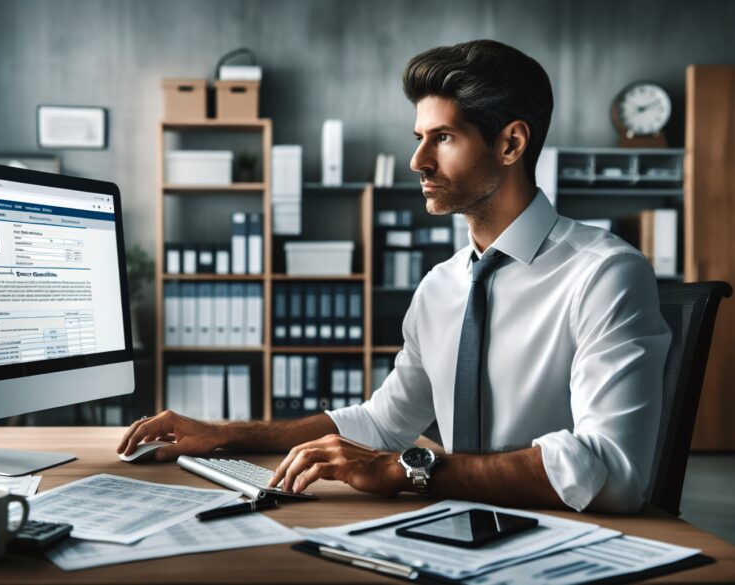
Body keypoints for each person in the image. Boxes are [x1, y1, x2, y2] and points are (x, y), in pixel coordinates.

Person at [119, 40, 670, 513]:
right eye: (418, 137)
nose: (418, 161)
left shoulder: (605, 274)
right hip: (447, 528)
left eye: (443, 138)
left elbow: (614, 472)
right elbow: (382, 424)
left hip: (568, 543)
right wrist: (227, 434)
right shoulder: (441, 286)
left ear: (511, 144)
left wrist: (409, 470)